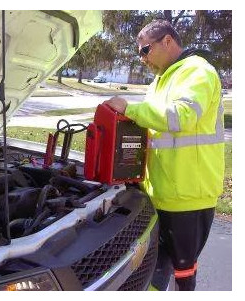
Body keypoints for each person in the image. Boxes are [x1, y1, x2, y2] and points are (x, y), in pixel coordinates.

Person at [103, 19, 225, 291]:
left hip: (189, 196)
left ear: (167, 41)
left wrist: (130, 109)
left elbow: (180, 117)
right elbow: (153, 131)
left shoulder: (198, 72)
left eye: (145, 49)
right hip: (159, 192)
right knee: (154, 263)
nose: (141, 57)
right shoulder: (160, 81)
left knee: (183, 270)